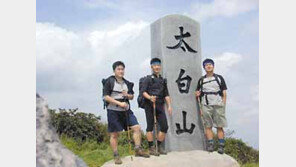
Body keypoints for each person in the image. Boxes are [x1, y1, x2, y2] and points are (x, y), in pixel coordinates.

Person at [103, 61, 150, 165]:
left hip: (126, 111)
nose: (121, 71)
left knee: (136, 128)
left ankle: (138, 149)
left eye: (122, 69)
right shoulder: (109, 81)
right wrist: (119, 104)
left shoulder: (127, 83)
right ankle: (116, 155)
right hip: (113, 111)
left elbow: (132, 96)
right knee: (115, 134)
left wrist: (127, 95)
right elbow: (106, 96)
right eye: (118, 69)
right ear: (114, 70)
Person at [195, 58, 228, 154]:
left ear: (213, 66)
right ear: (204, 67)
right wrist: (197, 96)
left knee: (219, 126)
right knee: (208, 126)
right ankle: (210, 144)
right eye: (206, 65)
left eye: (210, 64)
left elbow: (224, 92)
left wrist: (223, 104)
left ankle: (221, 146)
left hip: (218, 104)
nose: (208, 66)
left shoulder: (219, 78)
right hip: (205, 104)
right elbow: (197, 92)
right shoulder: (201, 80)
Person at [141, 58, 172, 156]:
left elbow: (166, 94)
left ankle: (158, 146)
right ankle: (151, 148)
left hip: (160, 105)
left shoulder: (163, 80)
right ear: (151, 67)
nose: (157, 67)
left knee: (164, 127)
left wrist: (169, 106)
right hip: (149, 104)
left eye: (158, 65)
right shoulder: (148, 79)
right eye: (155, 65)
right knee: (150, 127)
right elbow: (143, 92)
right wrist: (150, 97)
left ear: (160, 66)